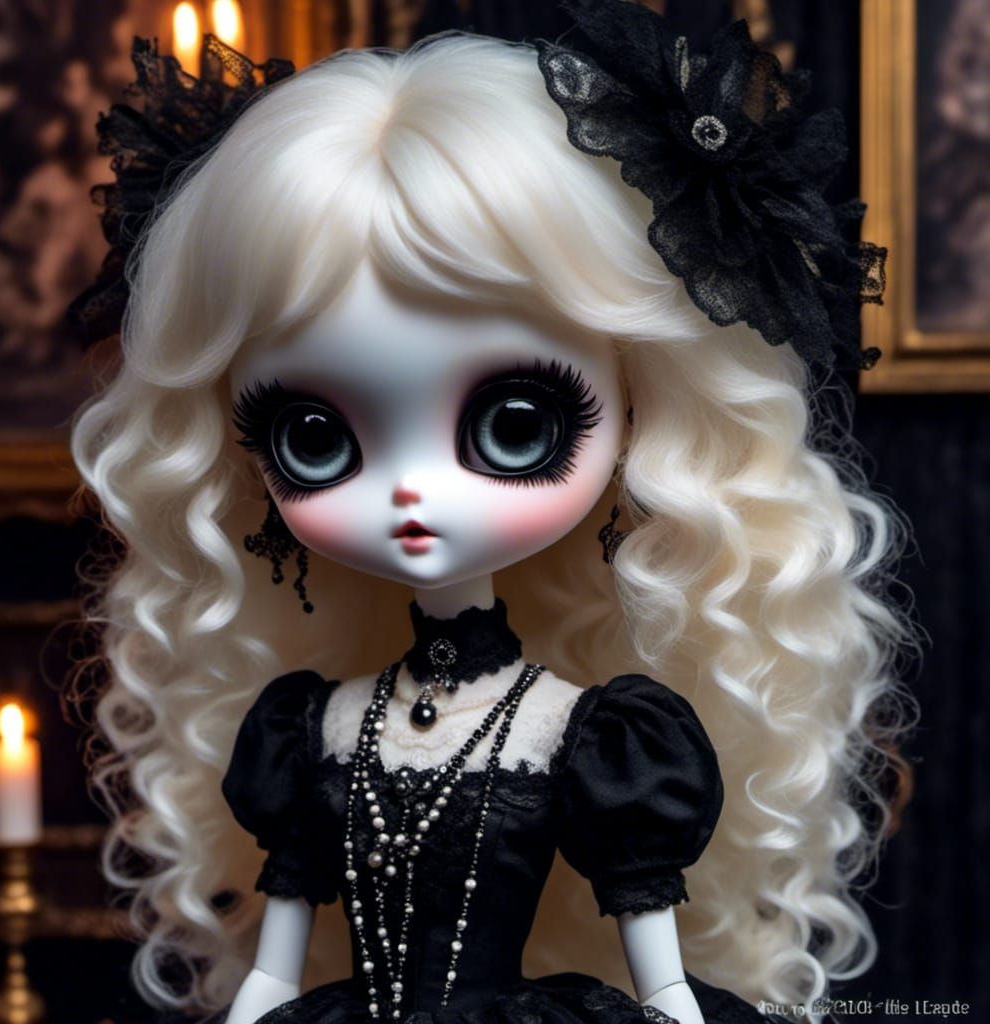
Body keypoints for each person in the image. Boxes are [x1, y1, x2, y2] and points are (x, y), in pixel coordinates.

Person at [70, 5, 912, 1022]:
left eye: (515, 425)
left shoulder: (596, 737)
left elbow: (662, 982)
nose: (412, 494)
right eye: (314, 438)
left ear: (645, 406)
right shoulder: (308, 731)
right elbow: (272, 973)